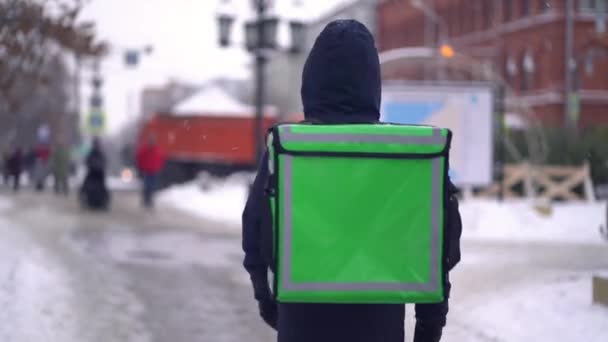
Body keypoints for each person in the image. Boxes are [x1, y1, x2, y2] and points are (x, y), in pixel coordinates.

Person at [242, 20, 462, 342]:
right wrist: (429, 325)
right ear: (372, 83)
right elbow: (439, 243)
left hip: (302, 319)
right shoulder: (405, 155)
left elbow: (256, 232)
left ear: (311, 80)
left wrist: (268, 300)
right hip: (379, 322)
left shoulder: (289, 150)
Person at [80, 138, 110, 210]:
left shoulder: (99, 154)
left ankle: (102, 202)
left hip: (98, 174)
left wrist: (99, 167)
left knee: (102, 188)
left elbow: (103, 163)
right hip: (93, 174)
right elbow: (88, 162)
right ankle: (88, 200)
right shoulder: (92, 154)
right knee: (86, 186)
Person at [136, 136, 165, 208]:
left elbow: (161, 159)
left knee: (151, 186)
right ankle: (146, 199)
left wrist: (159, 167)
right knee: (147, 185)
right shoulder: (146, 149)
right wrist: (141, 167)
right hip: (147, 170)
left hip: (153, 170)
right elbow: (140, 158)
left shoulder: (156, 150)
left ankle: (149, 200)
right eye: (151, 141)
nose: (152, 142)